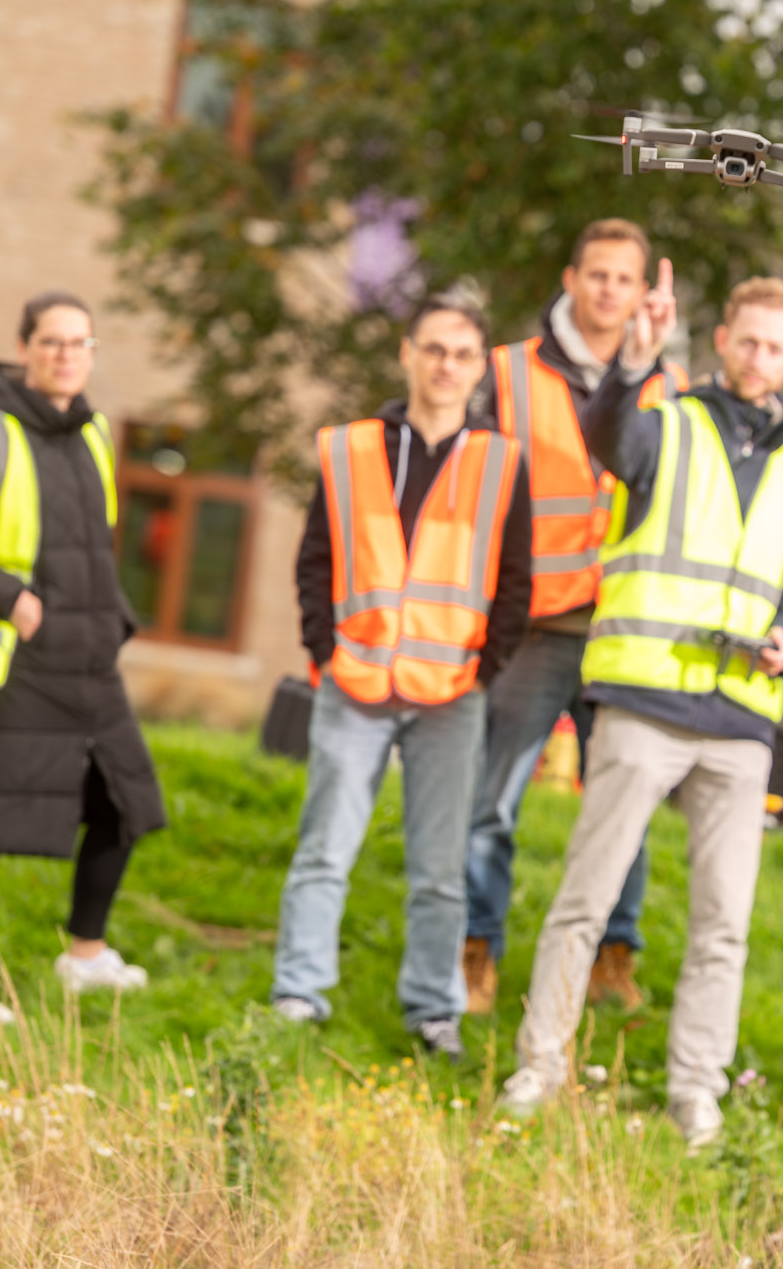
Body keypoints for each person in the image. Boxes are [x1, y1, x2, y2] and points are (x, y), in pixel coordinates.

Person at [499, 270, 783, 1150]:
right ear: (722, 339)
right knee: (587, 896)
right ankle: (540, 1062)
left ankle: (697, 1090)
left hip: (741, 719)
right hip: (645, 699)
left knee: (726, 922)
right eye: (746, 339)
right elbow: (607, 440)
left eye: (776, 346)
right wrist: (636, 358)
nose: (759, 357)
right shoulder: (667, 420)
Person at [271, 289, 532, 1059]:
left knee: (441, 865)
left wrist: (486, 667)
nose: (446, 365)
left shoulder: (501, 460)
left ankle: (432, 1008)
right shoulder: (351, 448)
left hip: (454, 691)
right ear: (407, 354)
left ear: (479, 368)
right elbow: (314, 556)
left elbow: (516, 578)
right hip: (354, 678)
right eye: (434, 349)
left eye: (461, 354)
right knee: (325, 846)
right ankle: (299, 990)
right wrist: (323, 648)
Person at [0, 291, 168, 1023]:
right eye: (52, 341)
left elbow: (97, 543)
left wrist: (114, 619)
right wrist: (12, 600)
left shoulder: (93, 433)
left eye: (81, 342)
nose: (66, 355)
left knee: (126, 800)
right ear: (23, 347)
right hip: (4, 662)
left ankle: (84, 955)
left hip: (85, 662)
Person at [463, 218, 688, 1017]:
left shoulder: (669, 384)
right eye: (596, 275)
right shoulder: (506, 374)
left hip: (624, 633)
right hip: (533, 626)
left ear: (640, 292)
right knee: (491, 796)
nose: (607, 291)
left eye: (623, 279)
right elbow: (474, 492)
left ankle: (612, 959)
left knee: (623, 805)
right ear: (570, 278)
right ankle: (474, 949)